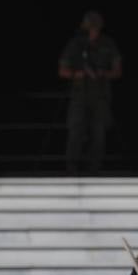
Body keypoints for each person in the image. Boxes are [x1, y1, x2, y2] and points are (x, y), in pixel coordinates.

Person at [58, 10, 121, 174]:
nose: (92, 30)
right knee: (75, 132)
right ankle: (72, 170)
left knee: (98, 134)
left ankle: (94, 171)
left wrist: (103, 74)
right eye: (89, 27)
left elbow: (117, 71)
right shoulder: (75, 44)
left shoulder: (108, 44)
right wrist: (76, 74)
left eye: (95, 27)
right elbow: (62, 71)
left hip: (100, 96)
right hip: (79, 95)